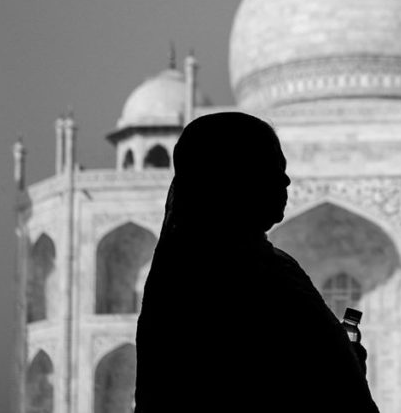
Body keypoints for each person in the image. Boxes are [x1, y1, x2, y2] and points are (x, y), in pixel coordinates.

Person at [134, 112, 379, 412]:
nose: (286, 179)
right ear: (231, 177)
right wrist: (345, 363)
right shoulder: (261, 275)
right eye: (272, 167)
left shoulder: (177, 279)